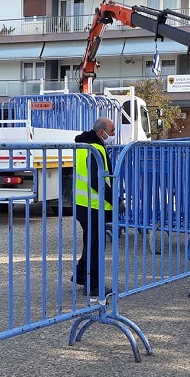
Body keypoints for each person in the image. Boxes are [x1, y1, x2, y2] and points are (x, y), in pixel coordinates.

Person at [73, 117, 118, 300]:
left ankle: (81, 276)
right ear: (101, 133)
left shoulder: (83, 146)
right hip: (94, 206)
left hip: (84, 205)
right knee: (95, 246)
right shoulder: (95, 149)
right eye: (112, 130)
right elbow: (95, 180)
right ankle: (93, 287)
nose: (113, 135)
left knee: (90, 243)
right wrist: (114, 199)